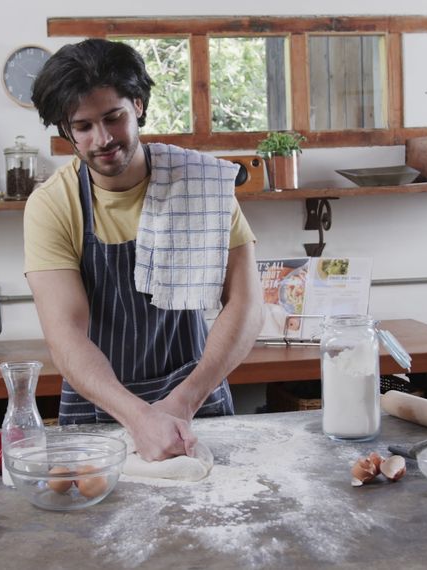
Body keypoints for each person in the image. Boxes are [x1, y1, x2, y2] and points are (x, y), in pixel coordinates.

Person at [24, 39, 263, 462]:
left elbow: (245, 304)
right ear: (66, 132)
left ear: (137, 104)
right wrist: (138, 417)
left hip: (196, 400)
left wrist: (180, 404)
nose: (102, 139)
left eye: (113, 118)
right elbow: (66, 336)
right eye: (83, 127)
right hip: (99, 410)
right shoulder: (52, 205)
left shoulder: (203, 183)